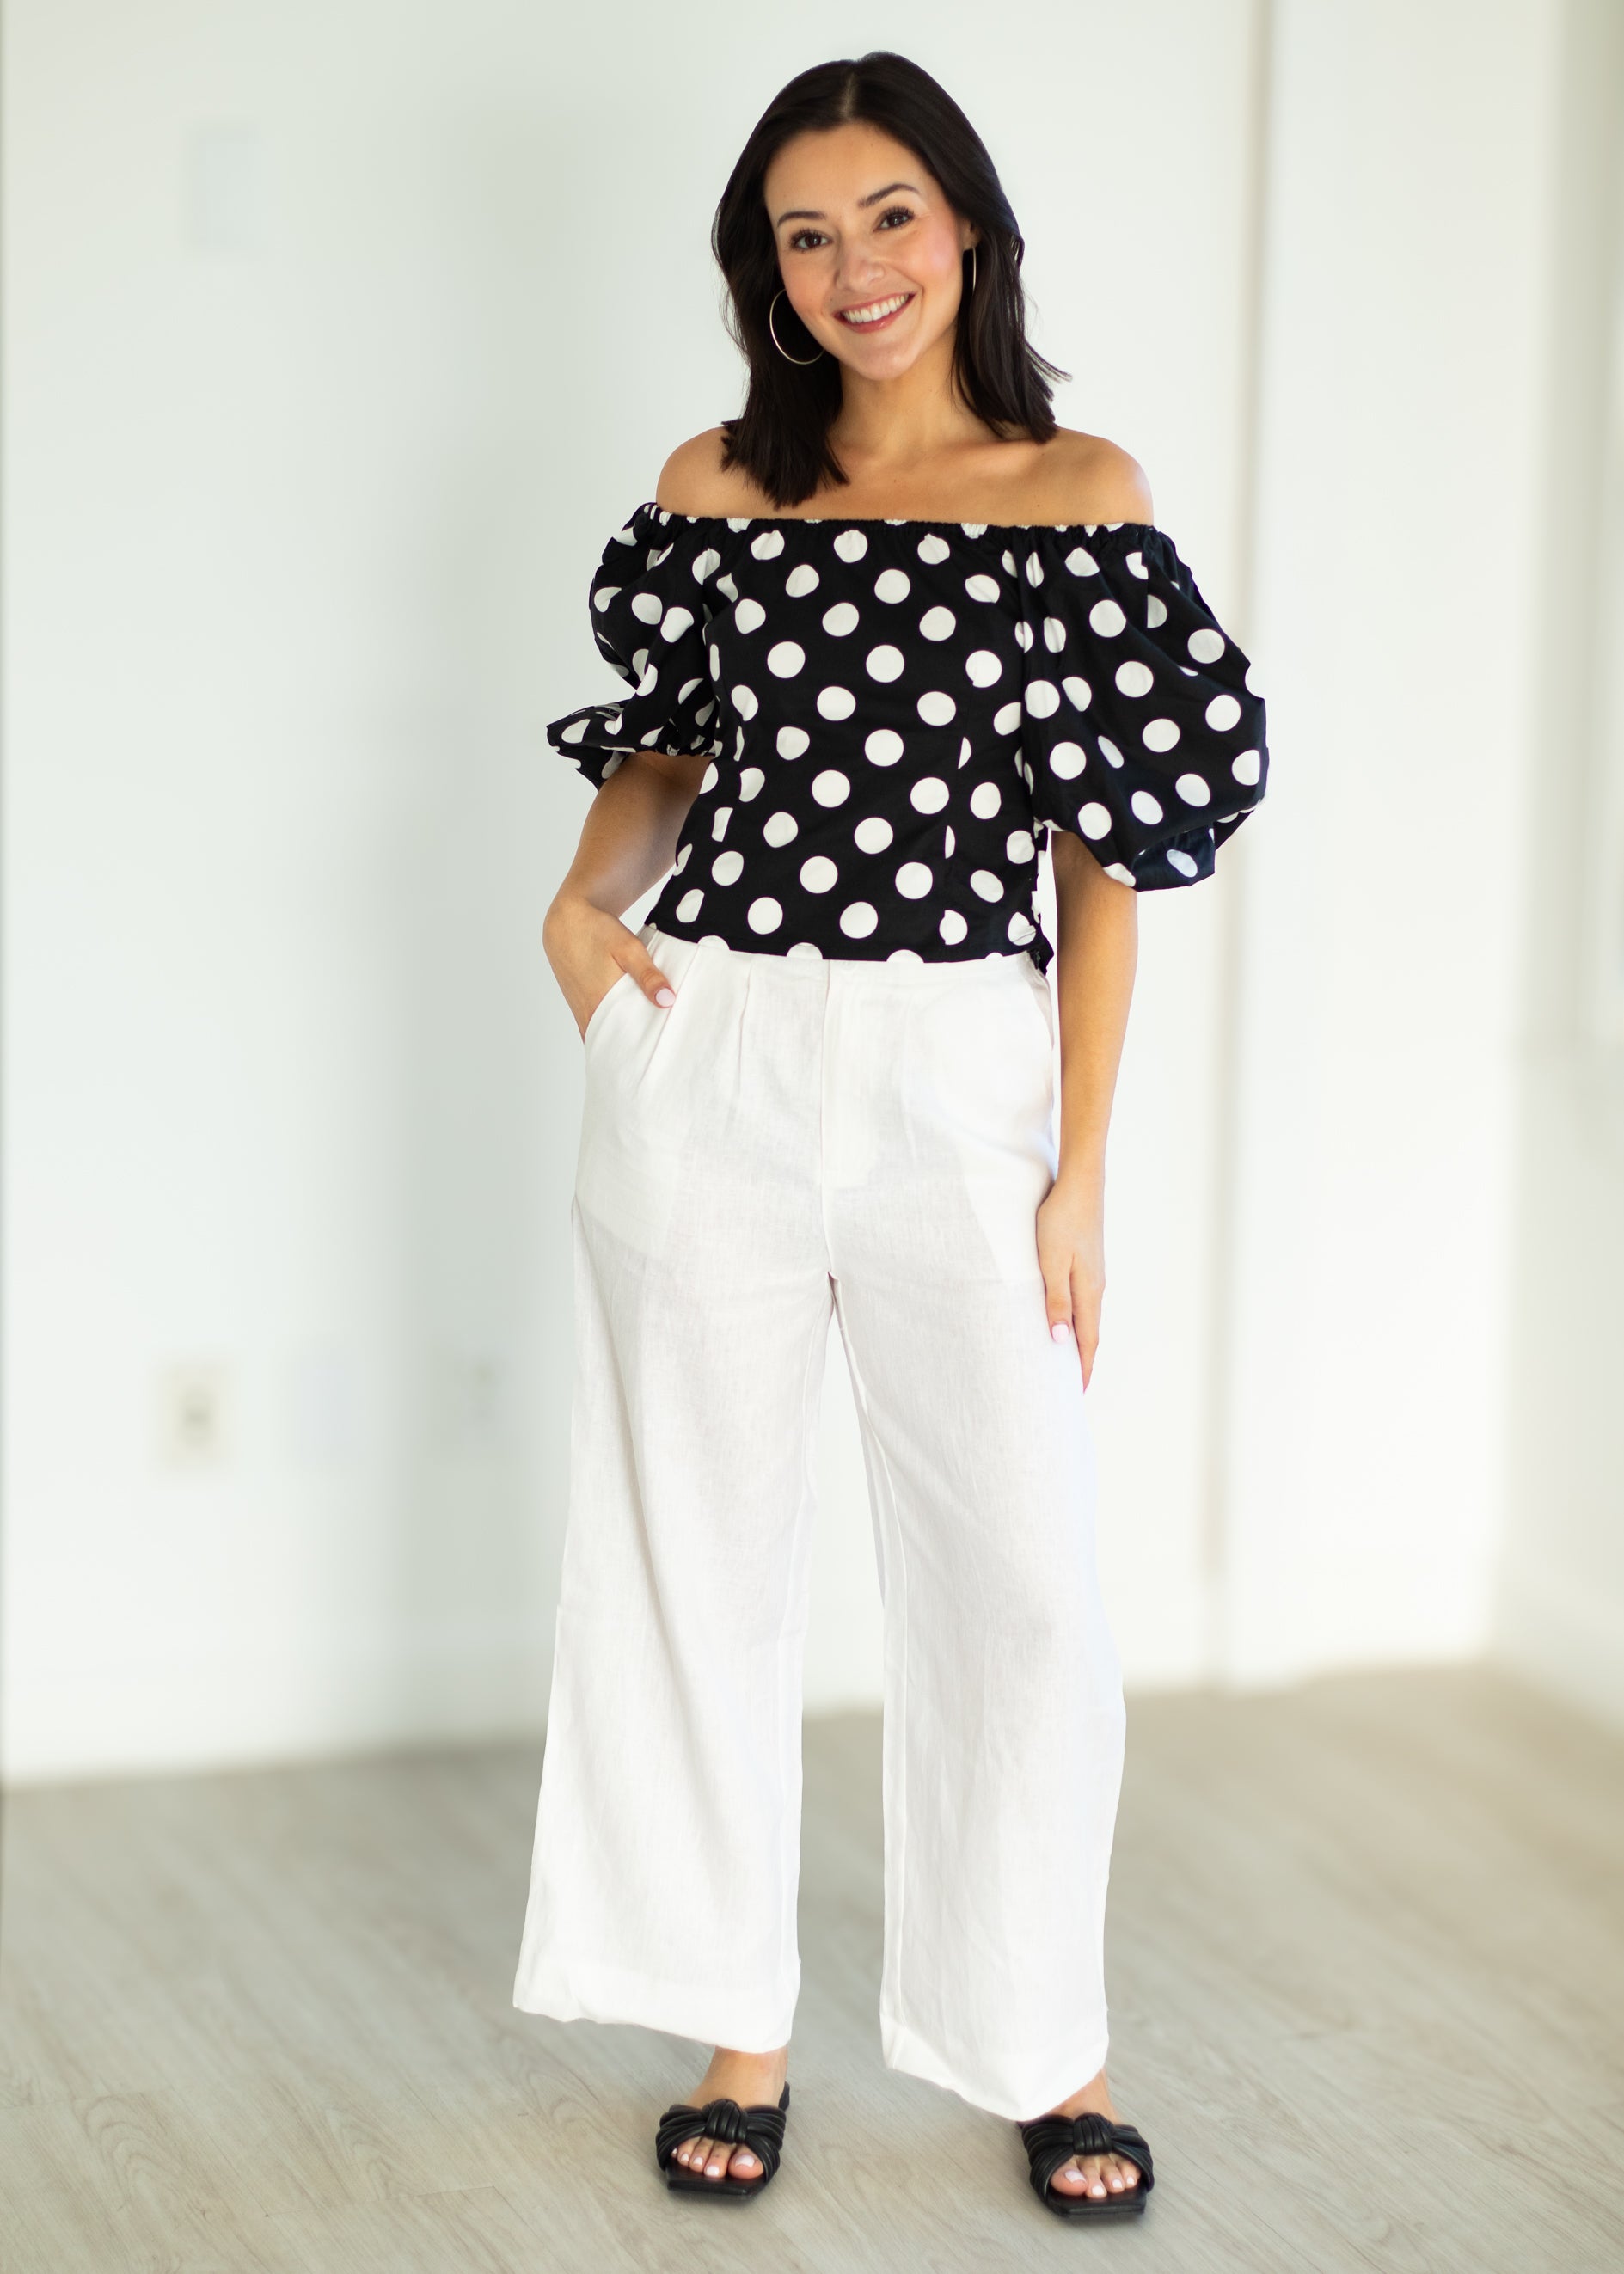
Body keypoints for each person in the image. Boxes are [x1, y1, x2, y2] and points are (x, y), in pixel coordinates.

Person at [513, 48, 1268, 2222]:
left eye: (892, 217)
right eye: (805, 231)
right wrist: (580, 909)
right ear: (768, 266)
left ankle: (1047, 2044)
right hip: (715, 1056)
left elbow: (1106, 854)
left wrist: (1085, 1164)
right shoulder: (714, 488)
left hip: (964, 1076)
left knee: (1021, 1589)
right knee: (693, 1562)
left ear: (970, 228)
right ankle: (737, 2020)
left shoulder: (1081, 494)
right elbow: (663, 756)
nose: (855, 267)